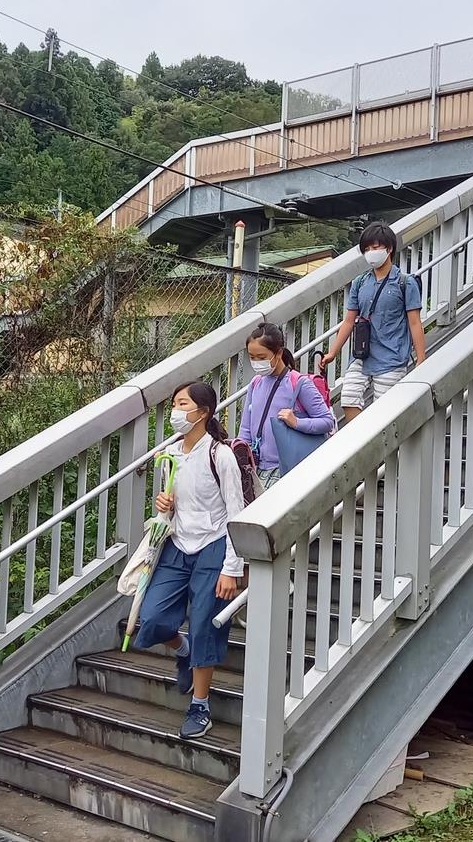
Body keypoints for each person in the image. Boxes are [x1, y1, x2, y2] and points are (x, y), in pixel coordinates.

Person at [133, 382, 246, 740]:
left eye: (183, 404)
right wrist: (164, 505)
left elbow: (235, 512)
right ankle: (182, 652)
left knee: (204, 625)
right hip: (177, 544)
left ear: (204, 411)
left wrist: (232, 569)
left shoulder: (220, 455)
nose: (176, 412)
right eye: (174, 404)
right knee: (149, 618)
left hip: (213, 545)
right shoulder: (170, 454)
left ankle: (200, 705)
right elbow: (173, 500)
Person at [320, 221, 427, 423]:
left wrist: (421, 359)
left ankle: (378, 449)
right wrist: (332, 352)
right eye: (367, 249)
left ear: (389, 249)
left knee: (384, 410)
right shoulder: (360, 282)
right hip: (362, 354)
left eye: (375, 247)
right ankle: (363, 441)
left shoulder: (405, 282)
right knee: (349, 398)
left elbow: (415, 322)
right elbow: (349, 321)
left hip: (392, 357)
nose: (371, 252)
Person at [239, 322, 336, 487]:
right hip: (256, 468)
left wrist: (297, 422)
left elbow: (327, 421)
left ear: (278, 354)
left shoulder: (298, 383)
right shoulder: (256, 383)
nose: (256, 362)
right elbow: (246, 429)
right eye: (252, 357)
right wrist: (241, 456)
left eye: (261, 357)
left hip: (285, 469)